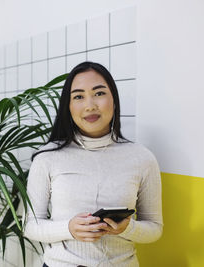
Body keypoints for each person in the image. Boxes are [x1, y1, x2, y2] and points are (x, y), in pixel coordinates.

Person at [24, 61, 163, 267]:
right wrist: (69, 229)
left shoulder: (142, 158)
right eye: (78, 96)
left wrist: (127, 228)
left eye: (99, 93)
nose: (90, 105)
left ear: (114, 100)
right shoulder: (47, 157)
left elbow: (155, 228)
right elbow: (30, 226)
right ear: (68, 107)